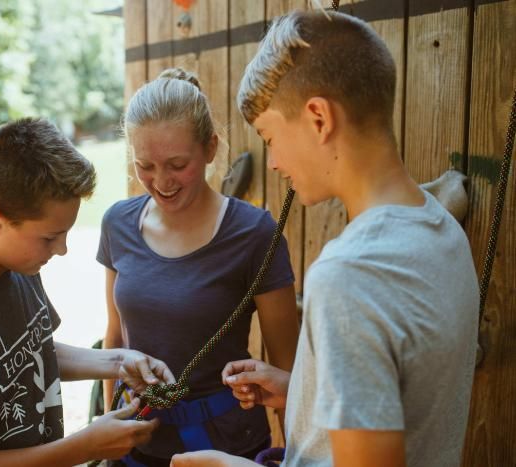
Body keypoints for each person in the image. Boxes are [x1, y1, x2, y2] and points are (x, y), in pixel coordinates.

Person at [171, 9, 479, 467]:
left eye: (270, 137)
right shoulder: (440, 229)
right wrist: (300, 390)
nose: (273, 162)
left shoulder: (349, 274)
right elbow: (405, 400)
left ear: (317, 118)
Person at [0, 117, 177, 466]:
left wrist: (119, 362)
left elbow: (32, 353)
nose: (62, 250)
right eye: (49, 237)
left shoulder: (18, 265)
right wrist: (84, 447)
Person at [98, 68, 299, 466]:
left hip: (228, 447)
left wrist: (296, 455)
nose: (160, 181)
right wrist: (110, 430)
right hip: (138, 442)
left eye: (176, 164)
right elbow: (114, 337)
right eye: (145, 166)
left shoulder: (256, 233)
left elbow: (287, 367)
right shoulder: (117, 223)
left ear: (210, 148)